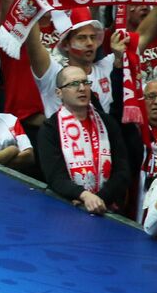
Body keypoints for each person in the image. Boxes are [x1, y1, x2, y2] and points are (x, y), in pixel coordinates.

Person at [36, 64, 131, 215]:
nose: (82, 88)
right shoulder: (50, 129)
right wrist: (83, 195)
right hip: (68, 209)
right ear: (59, 92)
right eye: (74, 84)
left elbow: (122, 171)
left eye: (85, 82)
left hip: (108, 209)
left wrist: (98, 199)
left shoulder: (107, 123)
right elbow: (55, 177)